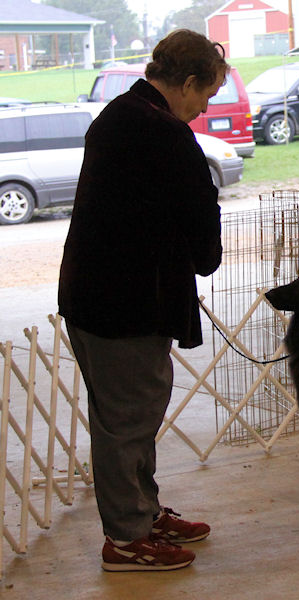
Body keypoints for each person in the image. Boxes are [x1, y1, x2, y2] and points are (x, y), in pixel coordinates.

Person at [58, 30, 228, 572]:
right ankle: (127, 539)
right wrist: (205, 254)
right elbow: (199, 214)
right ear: (189, 81)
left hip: (102, 295)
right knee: (127, 420)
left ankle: (143, 511)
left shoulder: (120, 113)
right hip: (123, 303)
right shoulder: (159, 130)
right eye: (205, 96)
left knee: (132, 415)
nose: (203, 110)